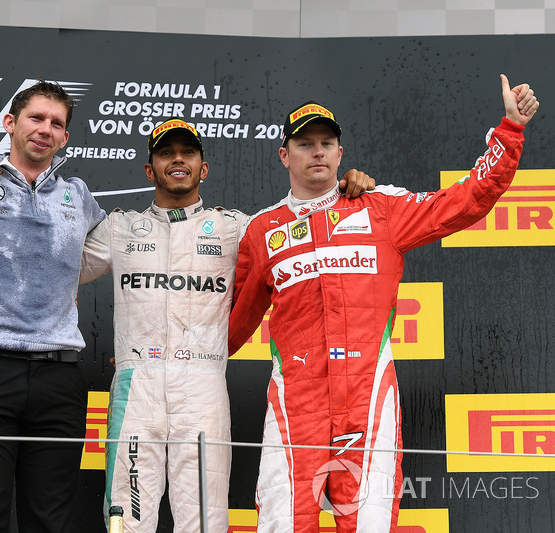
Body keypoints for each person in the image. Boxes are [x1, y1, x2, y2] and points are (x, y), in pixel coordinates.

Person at [227, 74, 538, 533]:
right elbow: (232, 322)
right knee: (283, 526)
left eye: (327, 142)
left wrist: (510, 130)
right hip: (296, 403)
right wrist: (174, 361)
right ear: (283, 155)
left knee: (370, 527)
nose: (317, 151)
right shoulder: (260, 230)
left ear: (340, 153)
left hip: (367, 397)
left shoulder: (381, 208)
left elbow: (467, 199)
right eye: (305, 143)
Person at [78, 119, 375, 532]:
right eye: (166, 153)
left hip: (203, 388)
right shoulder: (119, 228)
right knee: (126, 522)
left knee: (204, 522)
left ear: (204, 168)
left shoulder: (237, 227)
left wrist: (343, 194)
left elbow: (304, 237)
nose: (177, 159)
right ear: (150, 170)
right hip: (135, 389)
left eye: (188, 153)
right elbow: (53, 269)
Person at [0, 80, 106, 532]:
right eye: (36, 118)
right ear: (10, 123)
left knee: (50, 520)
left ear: (65, 137)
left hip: (61, 374)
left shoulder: (79, 197)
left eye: (57, 123)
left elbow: (121, 254)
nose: (45, 129)